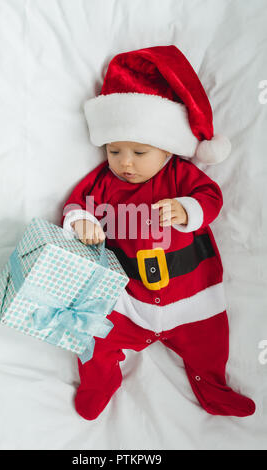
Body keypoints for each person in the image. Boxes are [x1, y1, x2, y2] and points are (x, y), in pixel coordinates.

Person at [61, 46, 256, 420]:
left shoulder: (180, 175)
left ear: (167, 149)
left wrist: (187, 209)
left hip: (190, 293)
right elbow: (76, 204)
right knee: (93, 339)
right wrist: (80, 221)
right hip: (128, 296)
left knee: (210, 342)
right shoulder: (103, 182)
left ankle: (212, 386)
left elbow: (211, 197)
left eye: (139, 151)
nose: (125, 162)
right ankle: (100, 380)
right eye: (114, 150)